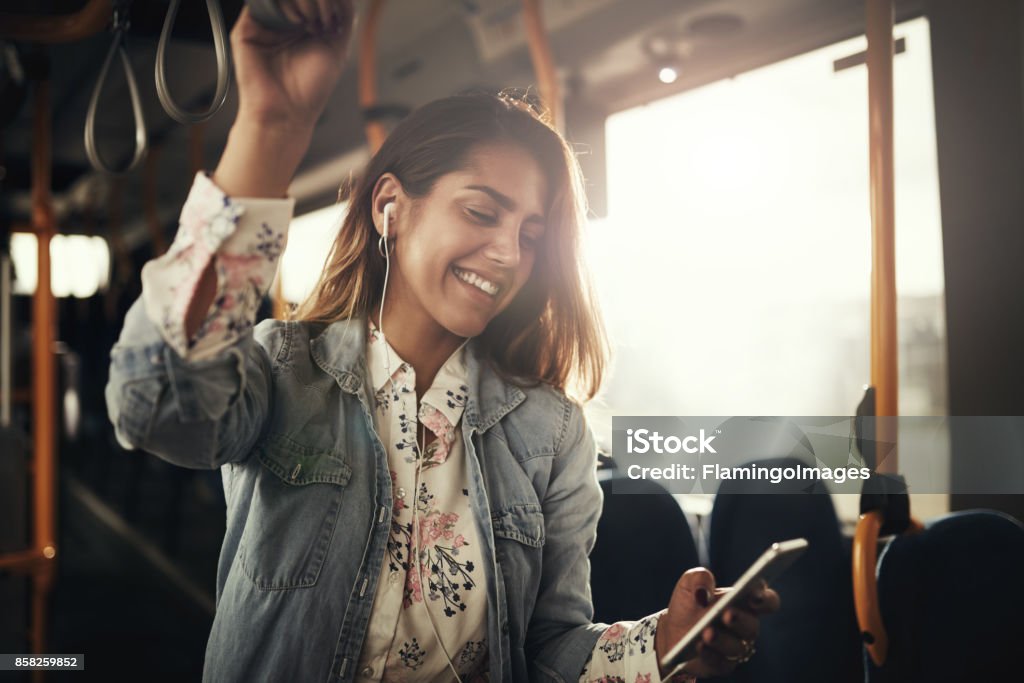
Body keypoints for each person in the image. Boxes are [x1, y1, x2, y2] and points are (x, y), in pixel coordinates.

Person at [105, 1, 780, 681]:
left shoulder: (551, 431)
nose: (508, 252)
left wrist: (661, 643)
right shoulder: (286, 368)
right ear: (389, 207)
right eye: (481, 211)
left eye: (530, 235)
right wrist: (271, 129)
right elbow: (153, 405)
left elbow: (547, 648)